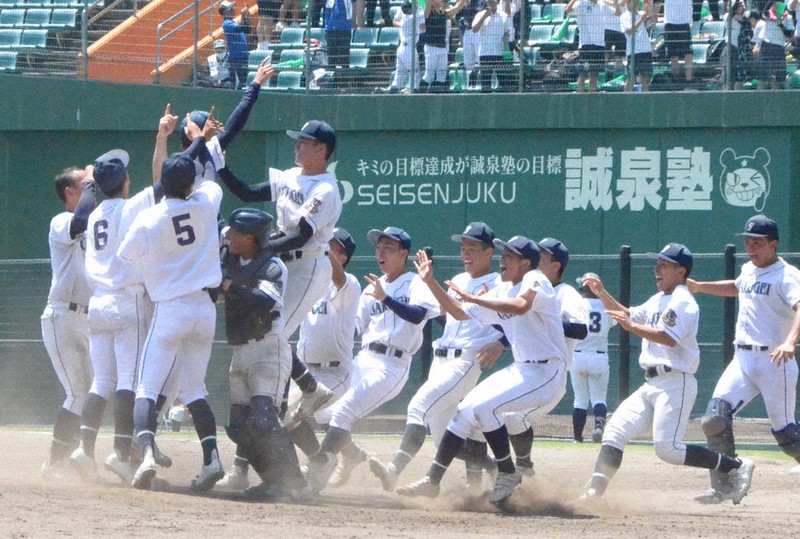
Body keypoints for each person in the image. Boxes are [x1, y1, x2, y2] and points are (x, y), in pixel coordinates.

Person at [398, 236, 568, 506]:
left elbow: (521, 306)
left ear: (526, 263)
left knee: (485, 408)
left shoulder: (536, 278)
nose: (502, 260)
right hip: (523, 368)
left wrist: (475, 299)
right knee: (465, 410)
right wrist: (431, 282)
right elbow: (459, 312)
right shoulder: (501, 289)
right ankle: (432, 480)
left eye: (509, 256)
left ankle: (507, 471)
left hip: (548, 372)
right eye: (502, 254)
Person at [578, 243, 754, 503]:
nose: (657, 270)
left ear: (681, 271)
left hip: (675, 382)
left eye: (664, 265)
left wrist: (632, 327)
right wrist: (601, 292)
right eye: (657, 265)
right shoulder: (658, 299)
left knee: (668, 450)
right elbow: (627, 314)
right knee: (614, 431)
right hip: (651, 384)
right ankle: (594, 493)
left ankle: (736, 466)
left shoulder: (684, 301)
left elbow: (667, 338)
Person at [215, 120, 342, 473]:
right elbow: (246, 193)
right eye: (298, 141)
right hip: (284, 262)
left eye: (305, 142)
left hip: (308, 265)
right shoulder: (289, 176)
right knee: (267, 338)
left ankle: (307, 390)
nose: (297, 146)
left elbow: (300, 236)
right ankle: (308, 388)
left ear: (322, 150)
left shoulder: (327, 190)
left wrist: (259, 252)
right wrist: (220, 165)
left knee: (271, 338)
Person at [119, 113, 227, 492]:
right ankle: (212, 459)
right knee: (194, 391)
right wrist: (201, 139)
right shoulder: (207, 201)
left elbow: (126, 254)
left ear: (162, 183)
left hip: (171, 309)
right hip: (204, 311)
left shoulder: (149, 217)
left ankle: (147, 454)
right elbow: (209, 175)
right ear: (192, 183)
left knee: (147, 389)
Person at [218, 228, 361, 492]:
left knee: (278, 412)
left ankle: (308, 467)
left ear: (344, 258)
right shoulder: (306, 282)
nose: (327, 247)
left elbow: (338, 277)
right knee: (271, 412)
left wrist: (319, 244)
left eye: (334, 247)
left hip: (334, 374)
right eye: (327, 243)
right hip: (303, 367)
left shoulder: (348, 284)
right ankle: (316, 461)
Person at [302, 227, 441, 494]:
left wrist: (386, 298)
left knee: (343, 412)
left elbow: (417, 315)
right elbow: (353, 328)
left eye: (388, 248)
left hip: (392, 365)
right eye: (378, 248)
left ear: (404, 254)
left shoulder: (415, 282)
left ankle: (319, 469)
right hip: (363, 358)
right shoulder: (371, 287)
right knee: (323, 411)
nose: (380, 253)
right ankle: (351, 455)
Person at [368, 222, 504, 493]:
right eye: (463, 248)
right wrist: (433, 303)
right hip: (441, 359)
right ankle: (494, 466)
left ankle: (394, 470)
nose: (465, 254)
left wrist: (502, 342)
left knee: (418, 406)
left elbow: (516, 321)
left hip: (465, 360)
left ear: (489, 252)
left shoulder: (499, 284)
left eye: (472, 248)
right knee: (445, 437)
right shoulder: (459, 280)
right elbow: (450, 318)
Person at [68, 144, 175, 484]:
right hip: (128, 301)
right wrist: (175, 139)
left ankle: (84, 449)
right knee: (128, 381)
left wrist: (90, 183)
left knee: (101, 382)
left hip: (98, 303)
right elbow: (168, 180)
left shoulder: (93, 215)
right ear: (126, 180)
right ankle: (121, 454)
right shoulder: (131, 208)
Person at [688, 215, 800, 504]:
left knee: (786, 436)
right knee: (714, 419)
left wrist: (790, 341)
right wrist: (700, 286)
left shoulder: (787, 275)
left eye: (758, 242)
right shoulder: (749, 270)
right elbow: (737, 287)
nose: (751, 247)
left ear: (773, 244)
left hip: (775, 362)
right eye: (748, 242)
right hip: (743, 359)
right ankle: (724, 485)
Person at [215, 208, 308, 500]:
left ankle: (293, 483)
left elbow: (264, 301)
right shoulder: (230, 259)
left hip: (268, 349)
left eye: (235, 232)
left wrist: (230, 286)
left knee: (262, 420)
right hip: (240, 349)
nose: (229, 236)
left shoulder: (272, 265)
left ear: (251, 238)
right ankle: (272, 481)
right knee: (238, 427)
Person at [503, 238, 587, 471]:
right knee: (489, 413)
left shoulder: (565, 293)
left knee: (514, 417)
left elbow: (580, 329)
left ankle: (524, 470)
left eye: (541, 257)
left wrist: (548, 321)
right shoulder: (523, 288)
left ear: (556, 266)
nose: (534, 261)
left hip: (551, 374)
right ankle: (501, 469)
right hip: (524, 372)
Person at [40, 164, 96, 480]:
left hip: (87, 318)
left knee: (90, 393)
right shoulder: (61, 221)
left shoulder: (94, 222)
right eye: (83, 183)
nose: (90, 186)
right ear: (69, 192)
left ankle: (75, 455)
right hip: (61, 315)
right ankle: (54, 464)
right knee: (77, 392)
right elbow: (80, 221)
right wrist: (91, 180)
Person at [571, 272, 617, 443]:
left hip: (578, 355)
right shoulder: (607, 305)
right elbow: (613, 323)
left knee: (580, 400)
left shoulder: (577, 304)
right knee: (599, 399)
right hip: (599, 356)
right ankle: (598, 427)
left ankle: (577, 438)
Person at [566, 0, 612, 92]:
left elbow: (617, 12)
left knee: (594, 74)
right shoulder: (581, 3)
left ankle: (592, 96)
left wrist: (613, 2)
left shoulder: (602, 4)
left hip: (599, 45)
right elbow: (568, 11)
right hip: (585, 44)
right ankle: (580, 95)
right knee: (583, 73)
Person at [422, 0, 466, 92]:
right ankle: (420, 93)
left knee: (442, 75)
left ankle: (437, 94)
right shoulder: (429, 12)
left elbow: (457, 8)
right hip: (431, 47)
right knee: (429, 75)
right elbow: (426, 10)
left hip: (442, 48)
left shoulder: (444, 13)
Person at [472, 0, 514, 93]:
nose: (491, 4)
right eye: (489, 2)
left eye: (493, 2)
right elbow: (474, 29)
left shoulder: (504, 15)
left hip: (499, 53)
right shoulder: (480, 15)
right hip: (484, 53)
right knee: (485, 84)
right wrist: (484, 17)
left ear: (497, 3)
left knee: (503, 83)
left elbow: (508, 31)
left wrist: (506, 37)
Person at [383, 0, 424, 93]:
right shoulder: (412, 17)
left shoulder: (413, 15)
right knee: (411, 71)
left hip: (406, 48)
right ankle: (412, 89)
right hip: (406, 48)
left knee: (403, 72)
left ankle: (395, 88)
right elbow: (423, 23)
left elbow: (422, 25)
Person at [618, 0, 655, 92]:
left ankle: (644, 98)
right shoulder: (624, 16)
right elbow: (629, 31)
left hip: (645, 50)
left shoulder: (642, 14)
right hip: (633, 51)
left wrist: (651, 12)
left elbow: (653, 25)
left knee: (645, 78)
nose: (636, 3)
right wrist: (641, 20)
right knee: (631, 77)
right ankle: (626, 99)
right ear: (627, 3)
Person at [751, 1, 789, 90]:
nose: (775, 6)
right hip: (767, 46)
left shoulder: (787, 17)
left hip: (779, 47)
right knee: (762, 77)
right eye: (774, 3)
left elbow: (790, 35)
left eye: (778, 4)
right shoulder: (767, 15)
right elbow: (764, 12)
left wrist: (781, 25)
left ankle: (776, 96)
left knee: (775, 77)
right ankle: (759, 96)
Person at [220, 1, 251, 89]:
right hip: (236, 59)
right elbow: (241, 28)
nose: (233, 10)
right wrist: (243, 15)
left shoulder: (233, 22)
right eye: (230, 9)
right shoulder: (227, 23)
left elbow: (248, 29)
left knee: (244, 81)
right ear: (225, 12)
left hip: (243, 56)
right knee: (238, 83)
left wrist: (246, 16)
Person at [662, 0, 694, 83]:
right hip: (670, 22)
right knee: (673, 55)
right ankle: (676, 81)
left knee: (688, 54)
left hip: (684, 23)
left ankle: (689, 81)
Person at [325, 0, 354, 69]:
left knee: (344, 58)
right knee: (331, 59)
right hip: (330, 29)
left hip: (344, 29)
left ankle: (344, 75)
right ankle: (332, 74)